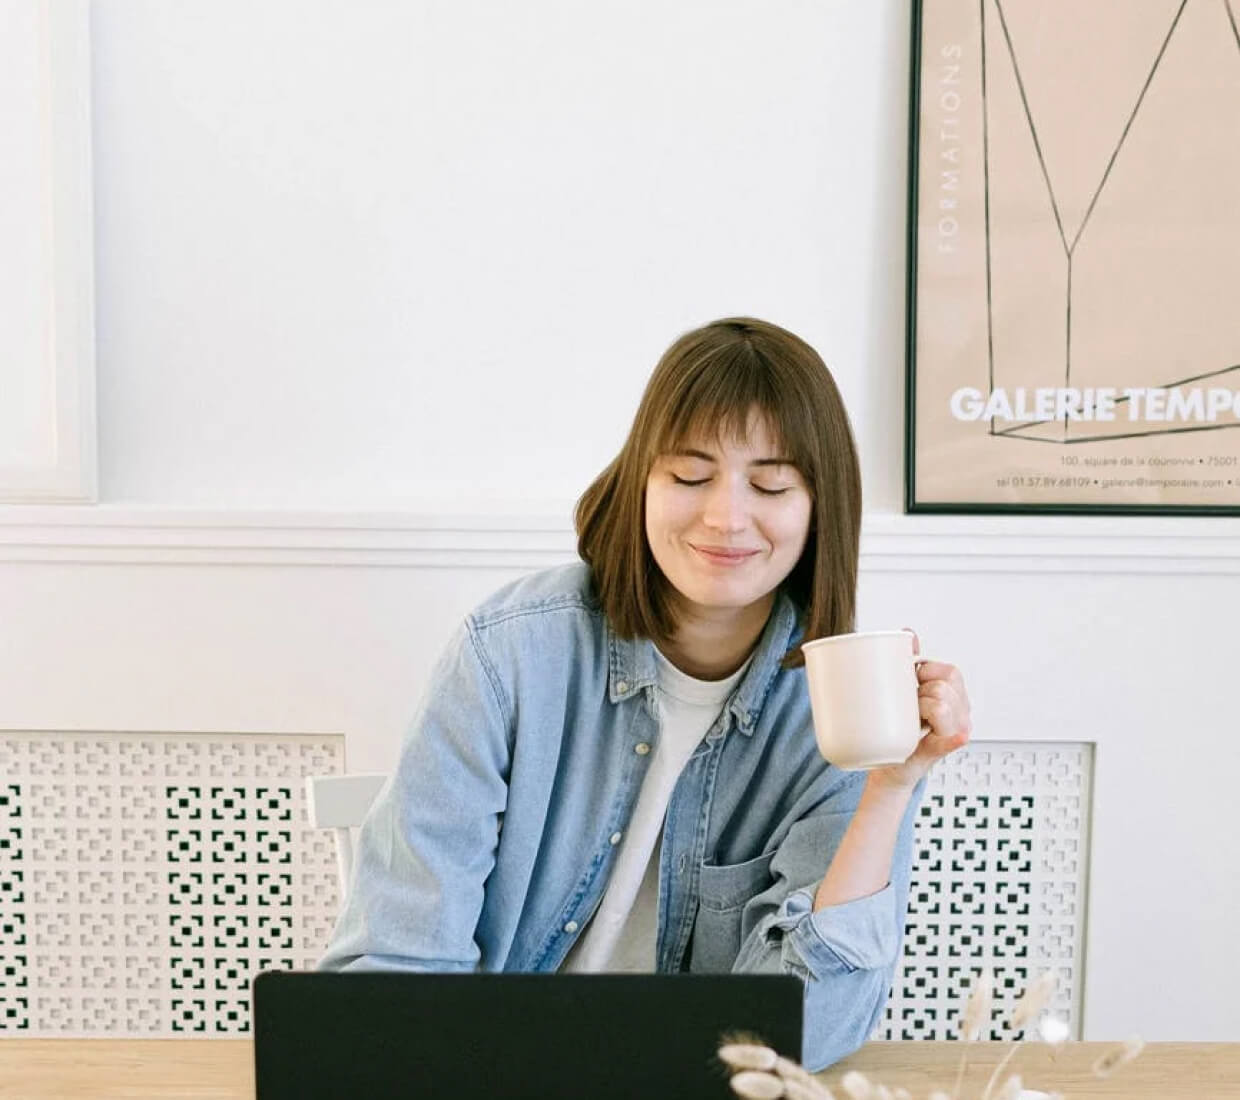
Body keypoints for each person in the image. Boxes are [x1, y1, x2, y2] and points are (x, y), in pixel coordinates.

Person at [319, 316, 972, 1070]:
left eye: (770, 483)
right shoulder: (511, 653)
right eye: (690, 475)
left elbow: (806, 1034)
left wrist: (888, 787)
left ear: (820, 506)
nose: (725, 517)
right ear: (640, 482)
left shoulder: (848, 706)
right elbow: (396, 974)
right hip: (494, 1076)